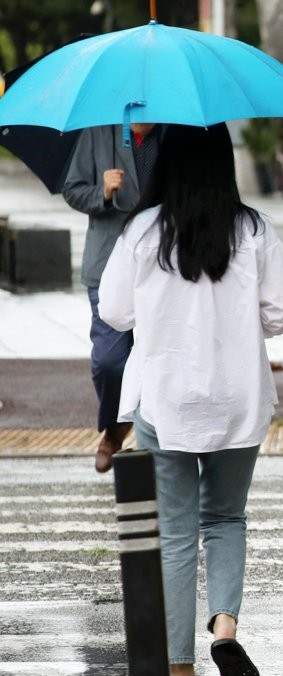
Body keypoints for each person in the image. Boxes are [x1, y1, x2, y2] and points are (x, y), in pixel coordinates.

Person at [98, 123, 283, 676]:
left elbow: (113, 312)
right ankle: (226, 629)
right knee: (226, 519)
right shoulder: (252, 228)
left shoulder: (143, 229)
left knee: (179, 531)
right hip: (238, 397)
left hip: (168, 398)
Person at [62, 122, 161, 473]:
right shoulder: (98, 131)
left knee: (162, 358)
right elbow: (72, 189)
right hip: (107, 263)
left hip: (161, 265)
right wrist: (102, 192)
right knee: (108, 361)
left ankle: (159, 440)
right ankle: (116, 427)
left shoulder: (173, 131)